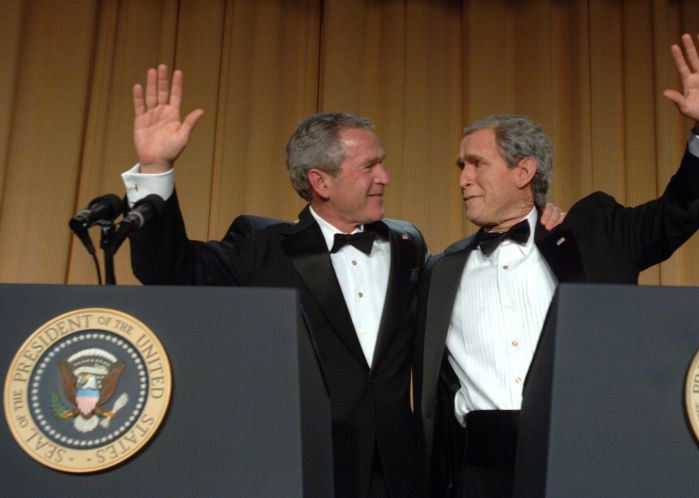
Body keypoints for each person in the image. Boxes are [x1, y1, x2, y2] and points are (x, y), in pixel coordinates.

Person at [121, 65, 565, 497]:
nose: (385, 177)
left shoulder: (409, 245)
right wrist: (155, 169)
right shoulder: (262, 245)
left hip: (401, 474)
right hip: (305, 466)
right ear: (321, 181)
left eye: (382, 164)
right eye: (369, 166)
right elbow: (168, 269)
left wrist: (542, 223)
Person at [417, 33, 699, 497]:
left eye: (475, 163)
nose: (464, 179)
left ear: (523, 171)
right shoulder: (440, 271)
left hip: (587, 461)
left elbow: (679, 209)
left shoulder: (595, 233)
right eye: (460, 167)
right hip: (480, 473)